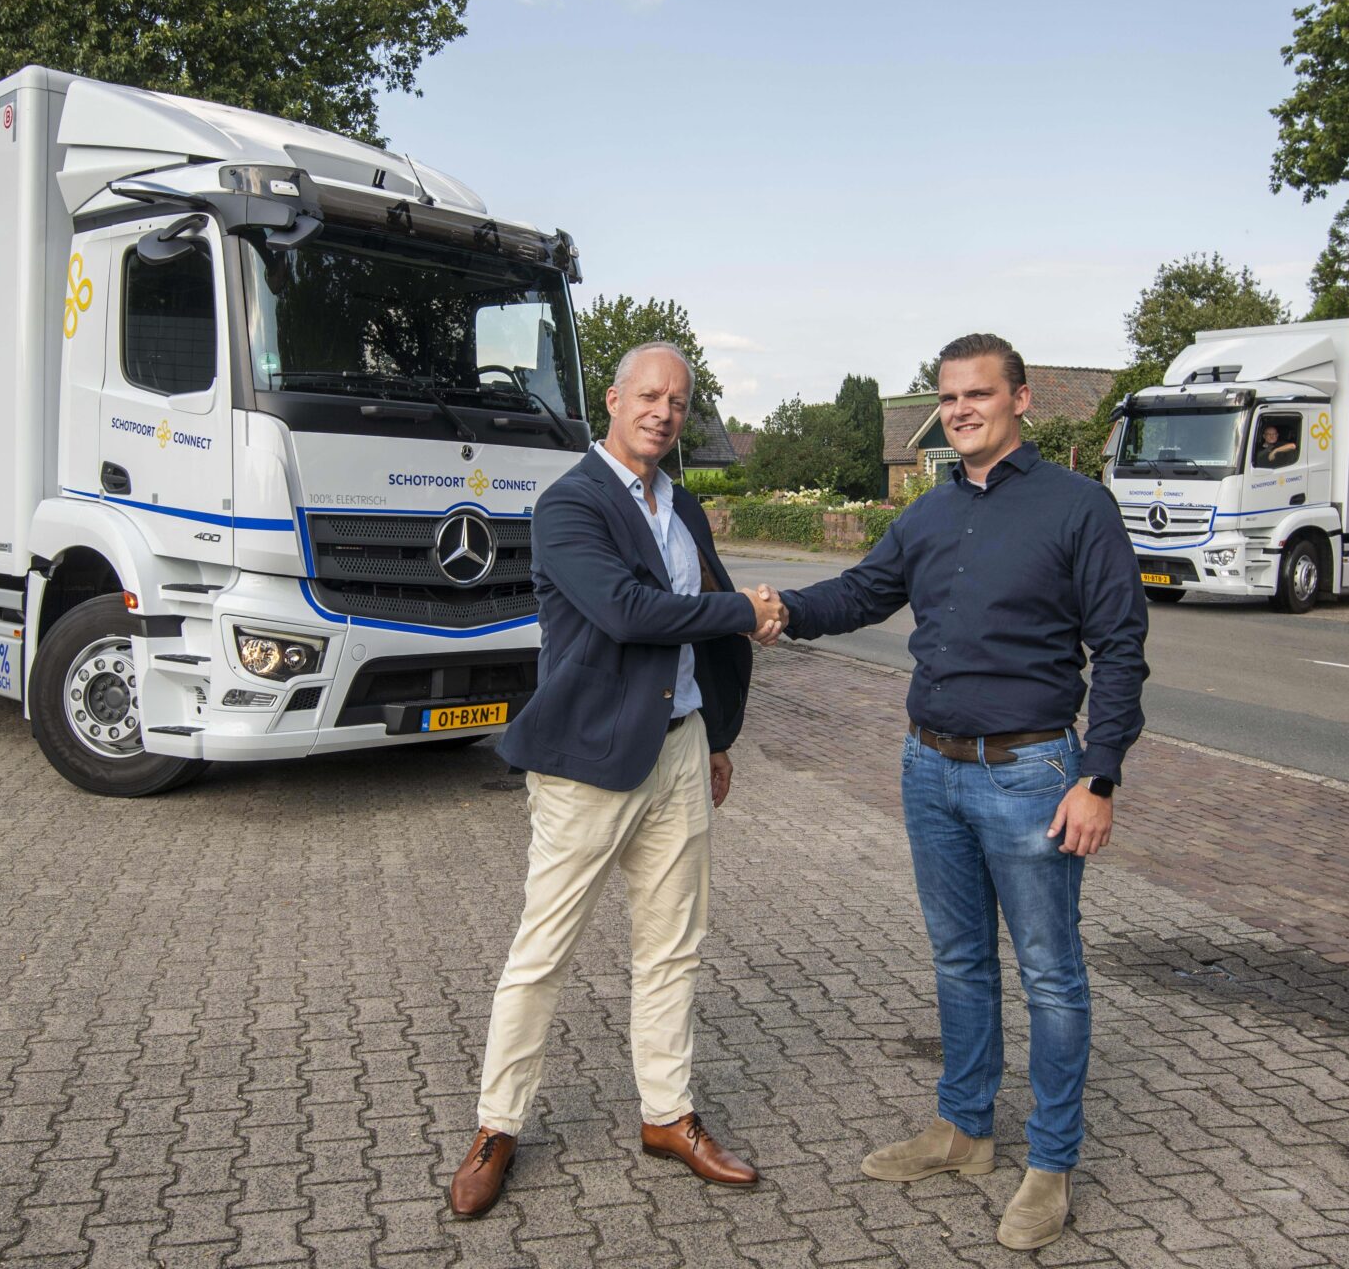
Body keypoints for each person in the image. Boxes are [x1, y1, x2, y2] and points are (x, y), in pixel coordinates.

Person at [758, 332, 1148, 1252]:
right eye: (949, 397)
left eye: (979, 393)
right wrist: (778, 613)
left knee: (1051, 975)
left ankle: (1049, 1165)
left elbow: (1122, 649)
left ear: (1020, 400)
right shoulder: (929, 513)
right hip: (929, 768)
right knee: (960, 961)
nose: (961, 408)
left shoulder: (1079, 507)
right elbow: (861, 593)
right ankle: (966, 1131)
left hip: (1033, 774)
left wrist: (1101, 775)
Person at [448, 341, 784, 1218]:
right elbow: (629, 614)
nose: (664, 413)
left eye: (678, 401)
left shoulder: (685, 506)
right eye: (649, 395)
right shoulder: (570, 504)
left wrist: (715, 733)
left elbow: (700, 638)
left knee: (672, 945)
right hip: (589, 764)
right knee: (542, 954)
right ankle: (496, 1126)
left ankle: (667, 1114)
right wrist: (746, 610)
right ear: (613, 398)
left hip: (678, 749)